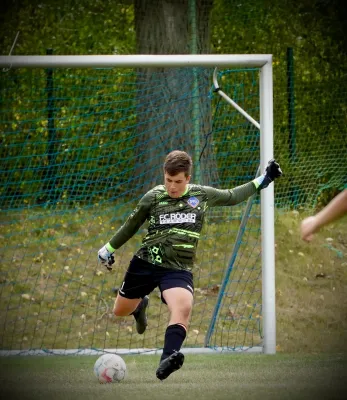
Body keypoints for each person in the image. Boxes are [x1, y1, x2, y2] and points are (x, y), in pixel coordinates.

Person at [98, 150, 282, 380]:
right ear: (164, 175)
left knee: (183, 307)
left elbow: (233, 195)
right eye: (168, 180)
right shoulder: (153, 197)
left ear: (187, 178)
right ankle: (138, 306)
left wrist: (265, 179)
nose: (172, 187)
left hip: (177, 268)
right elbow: (131, 225)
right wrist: (108, 249)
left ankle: (168, 358)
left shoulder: (201, 196)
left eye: (177, 181)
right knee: (119, 311)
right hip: (145, 263)